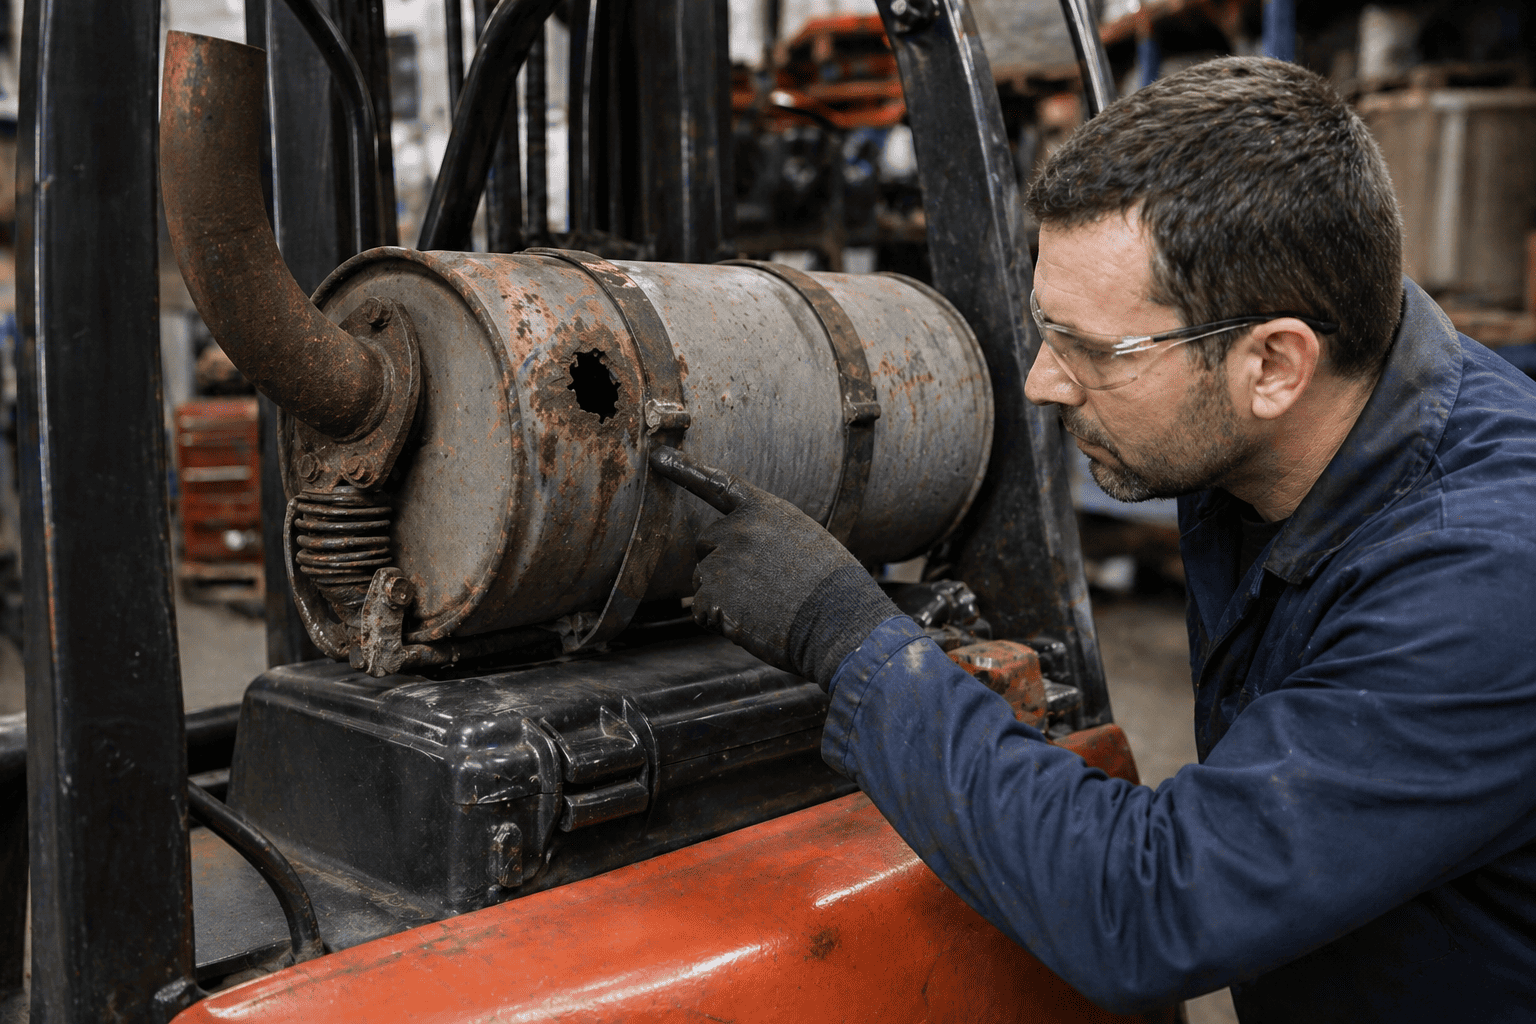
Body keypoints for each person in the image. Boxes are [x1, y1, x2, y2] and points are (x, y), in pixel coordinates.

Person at [650, 56, 1536, 1022]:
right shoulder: (1270, 436)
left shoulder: (1484, 581)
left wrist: (844, 632)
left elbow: (1150, 908)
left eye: (1090, 349)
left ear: (1274, 363)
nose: (1041, 382)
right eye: (1045, 329)